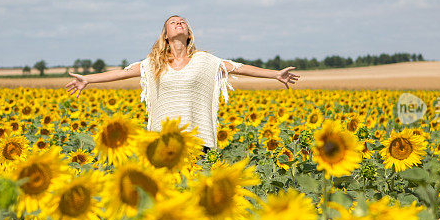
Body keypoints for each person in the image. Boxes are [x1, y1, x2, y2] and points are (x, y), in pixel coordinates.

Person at [64, 15, 299, 150]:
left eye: (183, 22)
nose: (179, 23)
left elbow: (238, 67)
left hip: (198, 139)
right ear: (165, 34)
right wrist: (88, 79)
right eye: (173, 21)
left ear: (188, 34)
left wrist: (275, 74)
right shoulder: (154, 63)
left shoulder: (204, 60)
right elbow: (122, 73)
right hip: (164, 142)